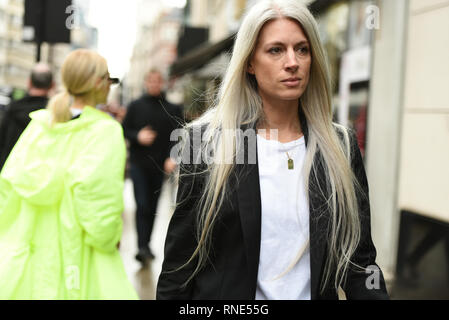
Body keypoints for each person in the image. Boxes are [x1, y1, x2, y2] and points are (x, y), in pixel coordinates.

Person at [157, 0, 389, 300]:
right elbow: (179, 266)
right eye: (276, 50)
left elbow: (359, 262)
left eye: (302, 49)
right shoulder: (208, 143)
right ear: (250, 62)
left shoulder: (339, 146)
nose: (292, 61)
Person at [0, 49, 138, 300]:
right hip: (80, 255)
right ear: (97, 83)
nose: (110, 85)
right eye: (108, 78)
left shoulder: (40, 126)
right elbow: (98, 200)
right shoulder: (105, 131)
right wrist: (109, 238)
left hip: (32, 252)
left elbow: (9, 184)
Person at [122, 69, 183, 266]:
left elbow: (178, 134)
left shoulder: (173, 108)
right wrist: (137, 136)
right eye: (151, 80)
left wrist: (172, 157)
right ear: (146, 82)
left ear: (162, 83)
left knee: (154, 205)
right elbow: (124, 129)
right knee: (142, 204)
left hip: (160, 165)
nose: (155, 84)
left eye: (158, 80)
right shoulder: (135, 106)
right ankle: (141, 246)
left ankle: (146, 244)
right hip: (139, 163)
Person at [0, 63, 54, 170]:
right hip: (40, 177)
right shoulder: (54, 113)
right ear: (52, 85)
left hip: (10, 173)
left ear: (29, 82)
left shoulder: (12, 109)